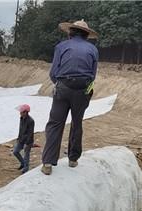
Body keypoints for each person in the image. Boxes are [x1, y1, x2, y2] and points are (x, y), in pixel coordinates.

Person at [41, 19, 98, 175]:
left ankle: (47, 163)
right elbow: (93, 75)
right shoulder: (93, 49)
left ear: (71, 32)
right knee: (77, 123)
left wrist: (61, 85)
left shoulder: (61, 47)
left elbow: (53, 73)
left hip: (63, 88)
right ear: (86, 35)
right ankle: (73, 159)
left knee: (55, 124)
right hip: (82, 90)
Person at [13, 104, 35, 174]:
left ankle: (26, 169)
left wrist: (27, 143)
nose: (20, 113)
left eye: (21, 112)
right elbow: (21, 129)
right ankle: (22, 163)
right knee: (15, 152)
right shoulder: (21, 118)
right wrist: (18, 138)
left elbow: (30, 133)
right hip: (21, 139)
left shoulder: (31, 121)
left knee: (26, 155)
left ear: (25, 112)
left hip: (28, 141)